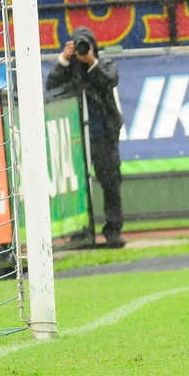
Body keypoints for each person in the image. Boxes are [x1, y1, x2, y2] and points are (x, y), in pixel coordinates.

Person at [46, 27, 125, 248]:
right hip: (76, 138)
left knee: (110, 183)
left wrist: (91, 63)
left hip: (103, 136)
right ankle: (81, 230)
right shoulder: (69, 70)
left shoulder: (103, 65)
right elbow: (51, 87)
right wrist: (63, 59)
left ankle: (113, 230)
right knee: (77, 185)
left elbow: (108, 81)